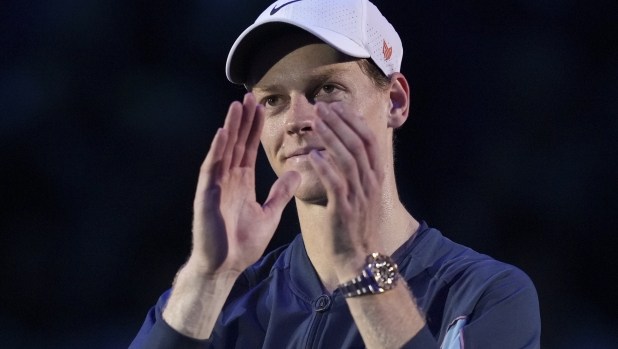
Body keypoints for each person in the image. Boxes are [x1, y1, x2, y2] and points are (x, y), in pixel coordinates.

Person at [129, 0, 541, 348]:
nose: (296, 120)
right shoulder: (219, 301)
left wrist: (360, 266)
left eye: (326, 89)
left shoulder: (485, 294)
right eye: (273, 99)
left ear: (395, 101)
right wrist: (208, 275)